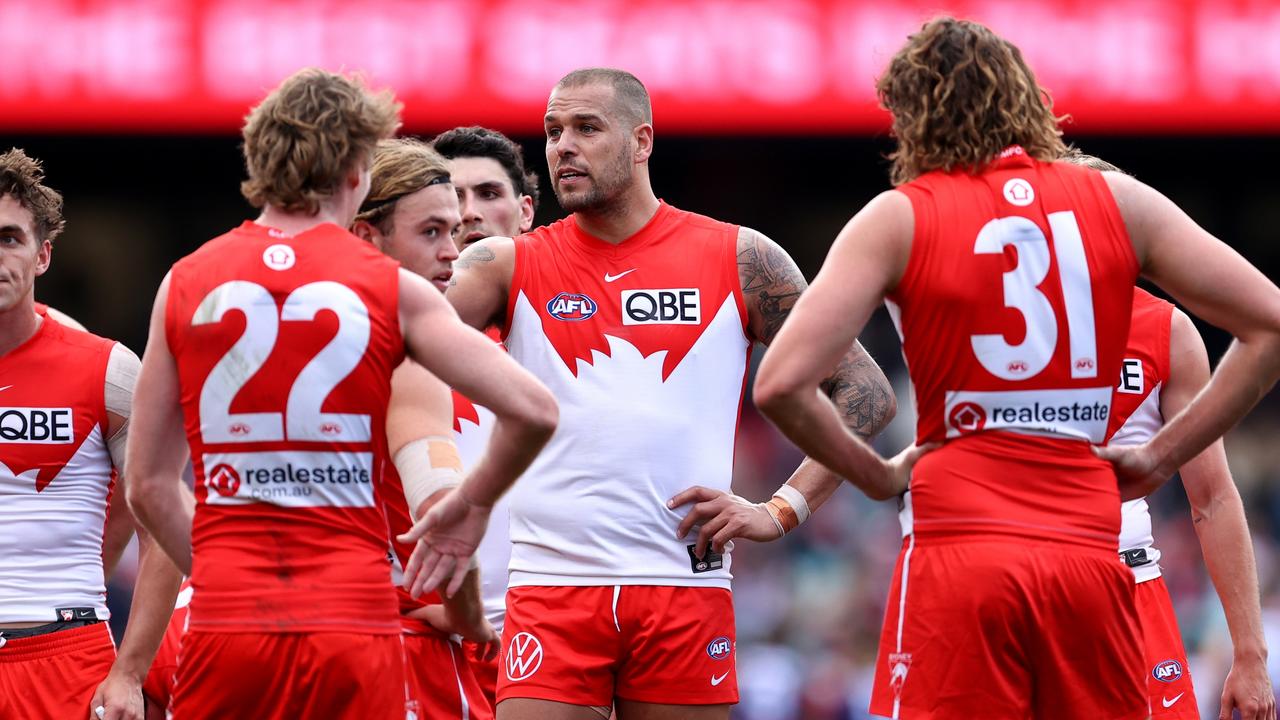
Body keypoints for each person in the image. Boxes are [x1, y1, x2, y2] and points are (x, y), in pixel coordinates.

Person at [750, 17, 1280, 720]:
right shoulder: (1119, 204)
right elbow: (1269, 323)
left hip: (958, 550)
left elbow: (781, 384)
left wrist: (875, 474)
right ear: (1028, 99)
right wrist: (1158, 456)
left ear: (915, 114)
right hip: (1091, 559)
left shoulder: (900, 216)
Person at [440, 67, 895, 720]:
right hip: (551, 589)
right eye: (552, 131)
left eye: (586, 128)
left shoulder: (740, 257)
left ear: (642, 140)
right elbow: (399, 351)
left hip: (684, 587)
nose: (562, 146)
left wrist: (781, 509)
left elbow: (866, 394)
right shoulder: (507, 263)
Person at [124, 68, 558, 720]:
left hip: (224, 621)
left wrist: (228, 579)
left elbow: (149, 487)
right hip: (353, 617)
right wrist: (472, 504)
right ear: (357, 168)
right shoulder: (387, 286)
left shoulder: (186, 281)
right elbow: (534, 410)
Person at [1064, 151, 1274, 720]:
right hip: (1027, 586)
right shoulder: (999, 321)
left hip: (1131, 582)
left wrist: (1251, 653)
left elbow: (1213, 497)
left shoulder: (1167, 330)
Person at [0, 148, 182, 720]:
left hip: (65, 658)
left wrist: (130, 673)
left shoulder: (107, 370)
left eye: (9, 238)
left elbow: (165, 532)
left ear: (43, 255)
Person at [351, 137, 496, 720]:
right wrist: (467, 616)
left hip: (239, 632)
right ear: (366, 236)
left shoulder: (247, 320)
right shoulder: (404, 352)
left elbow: (158, 492)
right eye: (432, 232)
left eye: (454, 233)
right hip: (391, 650)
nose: (452, 254)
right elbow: (440, 508)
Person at [432, 124, 542, 705]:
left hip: (559, 638)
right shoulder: (390, 344)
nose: (469, 214)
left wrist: (781, 509)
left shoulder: (572, 338)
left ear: (526, 211)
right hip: (432, 642)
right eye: (451, 198)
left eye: (489, 194)